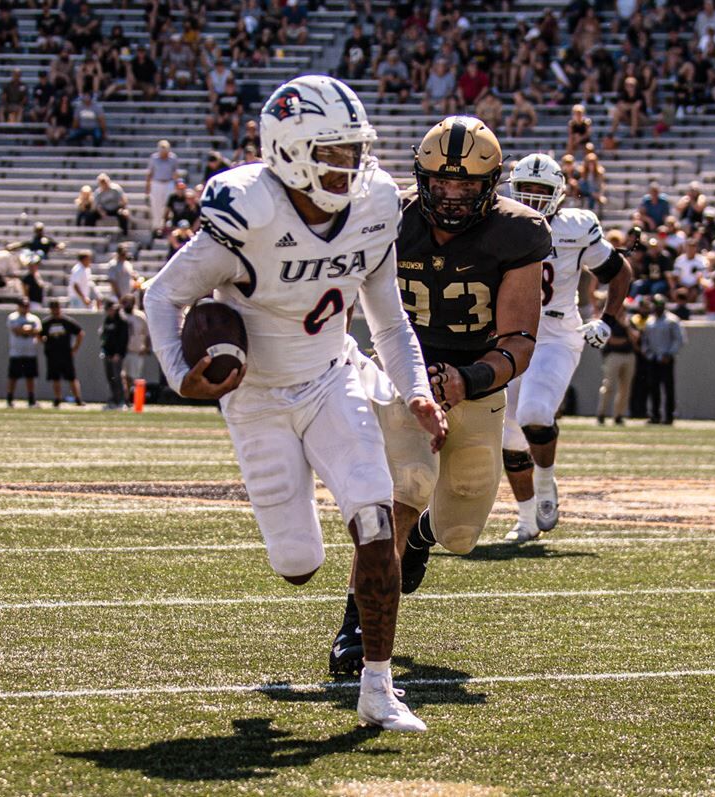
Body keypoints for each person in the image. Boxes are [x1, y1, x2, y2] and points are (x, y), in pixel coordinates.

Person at [144, 76, 446, 732]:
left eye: (353, 151)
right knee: (299, 563)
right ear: (290, 150)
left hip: (334, 378)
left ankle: (377, 685)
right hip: (256, 398)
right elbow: (162, 296)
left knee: (374, 517)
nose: (350, 166)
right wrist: (182, 376)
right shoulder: (247, 211)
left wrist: (416, 390)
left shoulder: (375, 206)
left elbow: (388, 322)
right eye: (333, 152)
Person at [345, 115, 547, 652]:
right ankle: (356, 627)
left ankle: (422, 539)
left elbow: (520, 341)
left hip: (476, 383)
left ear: (491, 185)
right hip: (399, 372)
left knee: (461, 532)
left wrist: (468, 377)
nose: (452, 195)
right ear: (421, 176)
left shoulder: (518, 231)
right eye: (440, 182)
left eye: (466, 185)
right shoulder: (387, 217)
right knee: (404, 488)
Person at [498, 154, 633, 543]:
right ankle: (526, 519)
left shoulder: (576, 227)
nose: (535, 199)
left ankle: (545, 483)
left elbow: (618, 271)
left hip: (556, 332)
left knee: (536, 411)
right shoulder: (496, 225)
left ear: (558, 195)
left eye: (543, 192)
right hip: (507, 331)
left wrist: (606, 320)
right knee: (507, 436)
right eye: (527, 190)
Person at [641, 294, 685, 424]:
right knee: (653, 388)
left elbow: (679, 340)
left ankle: (669, 416)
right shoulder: (650, 321)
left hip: (666, 359)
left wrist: (669, 354)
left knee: (668, 388)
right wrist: (647, 353)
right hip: (653, 358)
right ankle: (655, 415)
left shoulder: (672, 320)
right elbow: (645, 340)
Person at [41, 300, 84, 407]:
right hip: (52, 354)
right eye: (53, 308)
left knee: (71, 377)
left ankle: (78, 398)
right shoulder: (47, 322)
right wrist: (45, 343)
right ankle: (57, 398)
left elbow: (80, 333)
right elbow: (39, 334)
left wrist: (75, 348)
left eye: (57, 308)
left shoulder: (67, 321)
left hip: (65, 353)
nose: (55, 310)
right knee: (55, 378)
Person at [597, 313, 637, 426]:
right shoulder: (609, 321)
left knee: (625, 388)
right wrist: (625, 340)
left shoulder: (629, 321)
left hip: (628, 355)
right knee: (608, 386)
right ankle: (601, 413)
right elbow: (611, 340)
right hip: (613, 355)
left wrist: (627, 327)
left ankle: (618, 415)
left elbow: (635, 338)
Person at [6, 297, 41, 408]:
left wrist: (25, 329)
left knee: (30, 377)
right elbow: (16, 330)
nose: (25, 308)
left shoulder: (34, 318)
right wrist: (27, 330)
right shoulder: (13, 317)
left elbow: (37, 331)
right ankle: (10, 398)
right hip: (16, 352)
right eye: (22, 306)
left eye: (26, 306)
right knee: (13, 377)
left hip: (30, 352)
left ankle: (31, 399)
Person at [99, 297, 128, 409]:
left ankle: (122, 400)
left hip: (117, 355)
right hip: (107, 353)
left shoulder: (121, 321)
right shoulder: (107, 321)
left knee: (118, 377)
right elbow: (104, 337)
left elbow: (123, 339)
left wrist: (118, 353)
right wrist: (104, 350)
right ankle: (114, 399)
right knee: (110, 377)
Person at [145, 140, 180, 233]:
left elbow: (175, 173)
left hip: (169, 183)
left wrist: (177, 185)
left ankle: (166, 225)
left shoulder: (173, 158)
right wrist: (147, 188)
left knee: (168, 205)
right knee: (156, 205)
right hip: (157, 183)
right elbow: (150, 173)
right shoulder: (154, 158)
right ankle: (156, 226)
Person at [121, 293, 149, 399]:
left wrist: (146, 347)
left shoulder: (140, 316)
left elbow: (147, 333)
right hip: (122, 351)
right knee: (122, 377)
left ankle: (136, 400)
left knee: (134, 377)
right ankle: (125, 398)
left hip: (136, 350)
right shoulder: (120, 315)